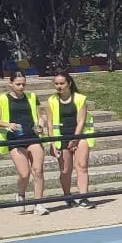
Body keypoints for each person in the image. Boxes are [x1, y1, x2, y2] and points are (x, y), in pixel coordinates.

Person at [0, 69, 48, 214]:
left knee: (38, 170)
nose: (21, 87)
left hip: (32, 136)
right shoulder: (2, 99)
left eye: (23, 84)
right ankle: (21, 195)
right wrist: (8, 125)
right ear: (10, 84)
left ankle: (39, 203)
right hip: (15, 138)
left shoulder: (32, 97)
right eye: (18, 84)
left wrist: (40, 125)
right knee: (24, 173)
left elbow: (40, 116)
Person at [42, 71, 94, 209]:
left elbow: (81, 120)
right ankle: (67, 195)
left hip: (79, 135)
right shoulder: (51, 101)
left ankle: (83, 197)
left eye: (62, 83)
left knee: (82, 166)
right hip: (61, 137)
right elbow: (50, 124)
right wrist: (52, 144)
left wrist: (75, 139)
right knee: (65, 170)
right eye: (56, 83)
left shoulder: (80, 99)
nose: (59, 86)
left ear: (69, 83)